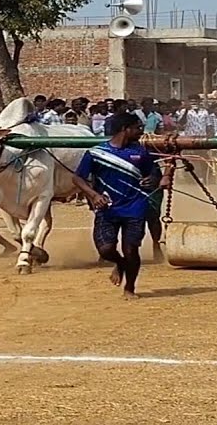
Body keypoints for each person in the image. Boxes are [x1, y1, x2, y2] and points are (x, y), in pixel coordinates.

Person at [72, 112, 161, 299]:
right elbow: (77, 177)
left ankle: (130, 288)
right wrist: (93, 195)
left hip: (135, 206)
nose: (140, 131)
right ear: (124, 129)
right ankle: (120, 263)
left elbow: (154, 173)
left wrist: (152, 179)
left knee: (131, 249)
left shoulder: (140, 153)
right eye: (137, 128)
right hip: (107, 208)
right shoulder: (96, 153)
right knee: (105, 250)